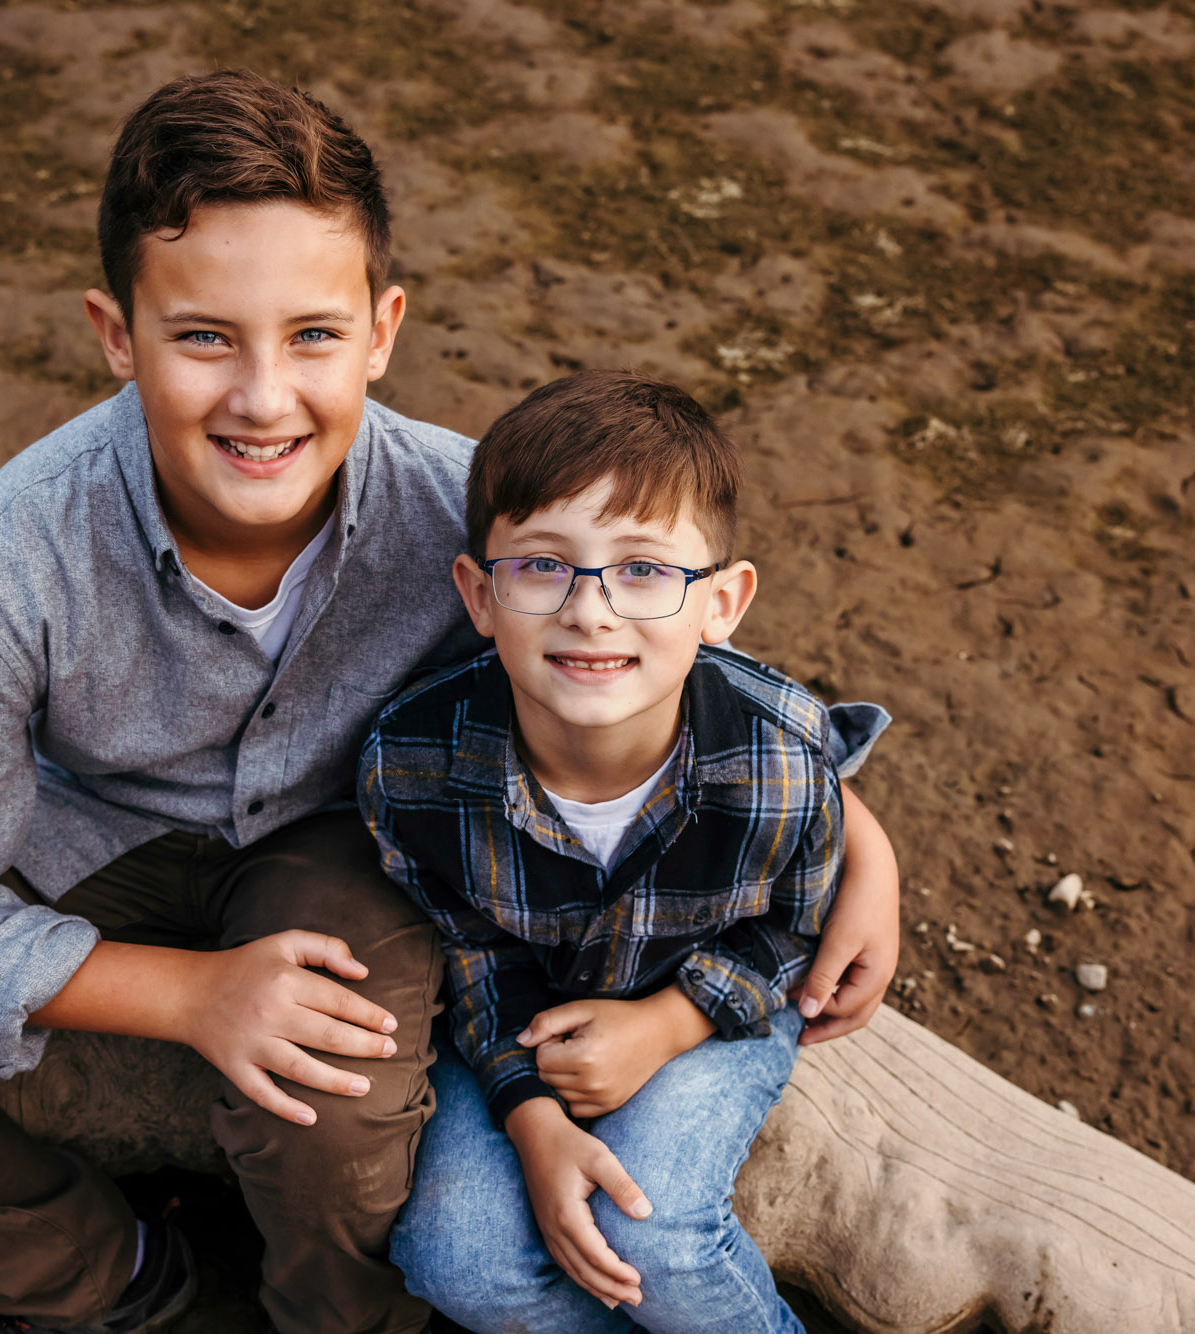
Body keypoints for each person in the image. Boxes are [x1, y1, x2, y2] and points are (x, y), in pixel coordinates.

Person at [0, 70, 898, 1334]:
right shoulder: (3, 561)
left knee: (339, 1091)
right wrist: (186, 995)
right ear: (115, 333)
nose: (263, 399)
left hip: (347, 839)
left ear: (381, 329)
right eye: (203, 335)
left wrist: (855, 834)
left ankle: (343, 1316)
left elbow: (674, 650)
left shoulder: (460, 511)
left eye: (313, 335)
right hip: (89, 833)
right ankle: (113, 1282)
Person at [357, 370, 896, 1333]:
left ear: (722, 603)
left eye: (644, 570)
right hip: (522, 1028)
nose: (592, 611)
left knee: (655, 1229)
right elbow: (470, 951)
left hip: (709, 997)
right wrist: (529, 1113)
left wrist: (669, 1026)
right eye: (543, 566)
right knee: (461, 1262)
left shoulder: (778, 763)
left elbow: (793, 929)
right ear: (480, 596)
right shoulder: (413, 770)